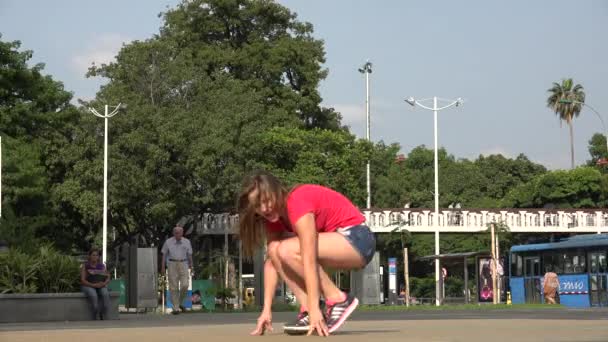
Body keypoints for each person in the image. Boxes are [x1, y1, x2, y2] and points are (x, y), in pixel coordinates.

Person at [238, 170, 376, 336]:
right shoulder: (274, 218)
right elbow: (272, 263)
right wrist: (266, 310)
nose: (264, 209)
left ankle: (338, 299)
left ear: (277, 191)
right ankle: (308, 310)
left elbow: (308, 260)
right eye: (257, 206)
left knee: (286, 249)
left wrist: (317, 308)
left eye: (267, 201)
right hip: (337, 241)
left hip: (358, 239)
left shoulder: (297, 201)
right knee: (275, 250)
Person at [161, 226, 193, 314]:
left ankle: (179, 303)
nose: (178, 234)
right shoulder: (168, 242)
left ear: (182, 233)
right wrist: (163, 267)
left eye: (179, 232)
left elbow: (190, 255)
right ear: (173, 233)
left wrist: (191, 266)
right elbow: (164, 255)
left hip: (184, 264)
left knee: (185, 285)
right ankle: (175, 308)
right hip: (172, 264)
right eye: (176, 232)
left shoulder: (187, 242)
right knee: (173, 286)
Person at [80, 247, 111, 320]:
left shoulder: (101, 266)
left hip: (100, 285)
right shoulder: (85, 266)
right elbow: (83, 280)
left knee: (105, 294)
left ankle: (102, 313)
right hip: (88, 285)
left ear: (98, 257)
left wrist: (104, 284)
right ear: (90, 256)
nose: (95, 257)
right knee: (93, 295)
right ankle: (95, 314)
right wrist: (93, 285)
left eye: (96, 255)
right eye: (93, 255)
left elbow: (108, 277)